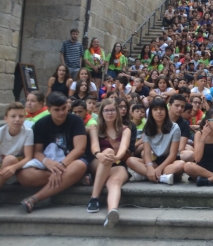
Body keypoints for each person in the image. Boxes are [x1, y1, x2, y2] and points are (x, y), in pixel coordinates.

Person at [16, 92, 88, 213]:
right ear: (48, 109)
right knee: (23, 176)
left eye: (64, 108)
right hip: (48, 162)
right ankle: (73, 178)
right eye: (57, 110)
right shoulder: (40, 124)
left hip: (70, 162)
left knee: (79, 166)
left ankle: (35, 199)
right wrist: (47, 162)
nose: (61, 112)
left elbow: (79, 148)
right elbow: (37, 151)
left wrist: (61, 167)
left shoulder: (76, 121)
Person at [86, 99, 132, 228]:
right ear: (101, 113)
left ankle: (112, 211)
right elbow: (94, 146)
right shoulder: (95, 127)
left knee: (115, 181)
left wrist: (116, 157)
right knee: (108, 151)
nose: (110, 113)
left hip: (117, 163)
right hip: (99, 161)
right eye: (106, 110)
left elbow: (124, 146)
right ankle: (94, 197)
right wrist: (100, 154)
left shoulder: (125, 129)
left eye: (112, 110)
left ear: (117, 112)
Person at [126, 97, 185, 185]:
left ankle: (148, 175)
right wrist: (149, 167)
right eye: (155, 109)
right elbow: (146, 153)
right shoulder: (147, 129)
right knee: (130, 160)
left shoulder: (174, 127)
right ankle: (161, 178)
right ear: (151, 112)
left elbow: (173, 154)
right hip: (155, 161)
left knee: (181, 164)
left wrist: (159, 168)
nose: (159, 112)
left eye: (161, 109)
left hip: (170, 162)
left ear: (166, 111)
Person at [0, 102, 34, 189]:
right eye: (13, 116)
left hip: (16, 166)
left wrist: (13, 167)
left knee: (9, 158)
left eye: (21, 116)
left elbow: (28, 157)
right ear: (6, 119)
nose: (17, 119)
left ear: (25, 118)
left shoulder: (28, 132)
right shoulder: (1, 131)